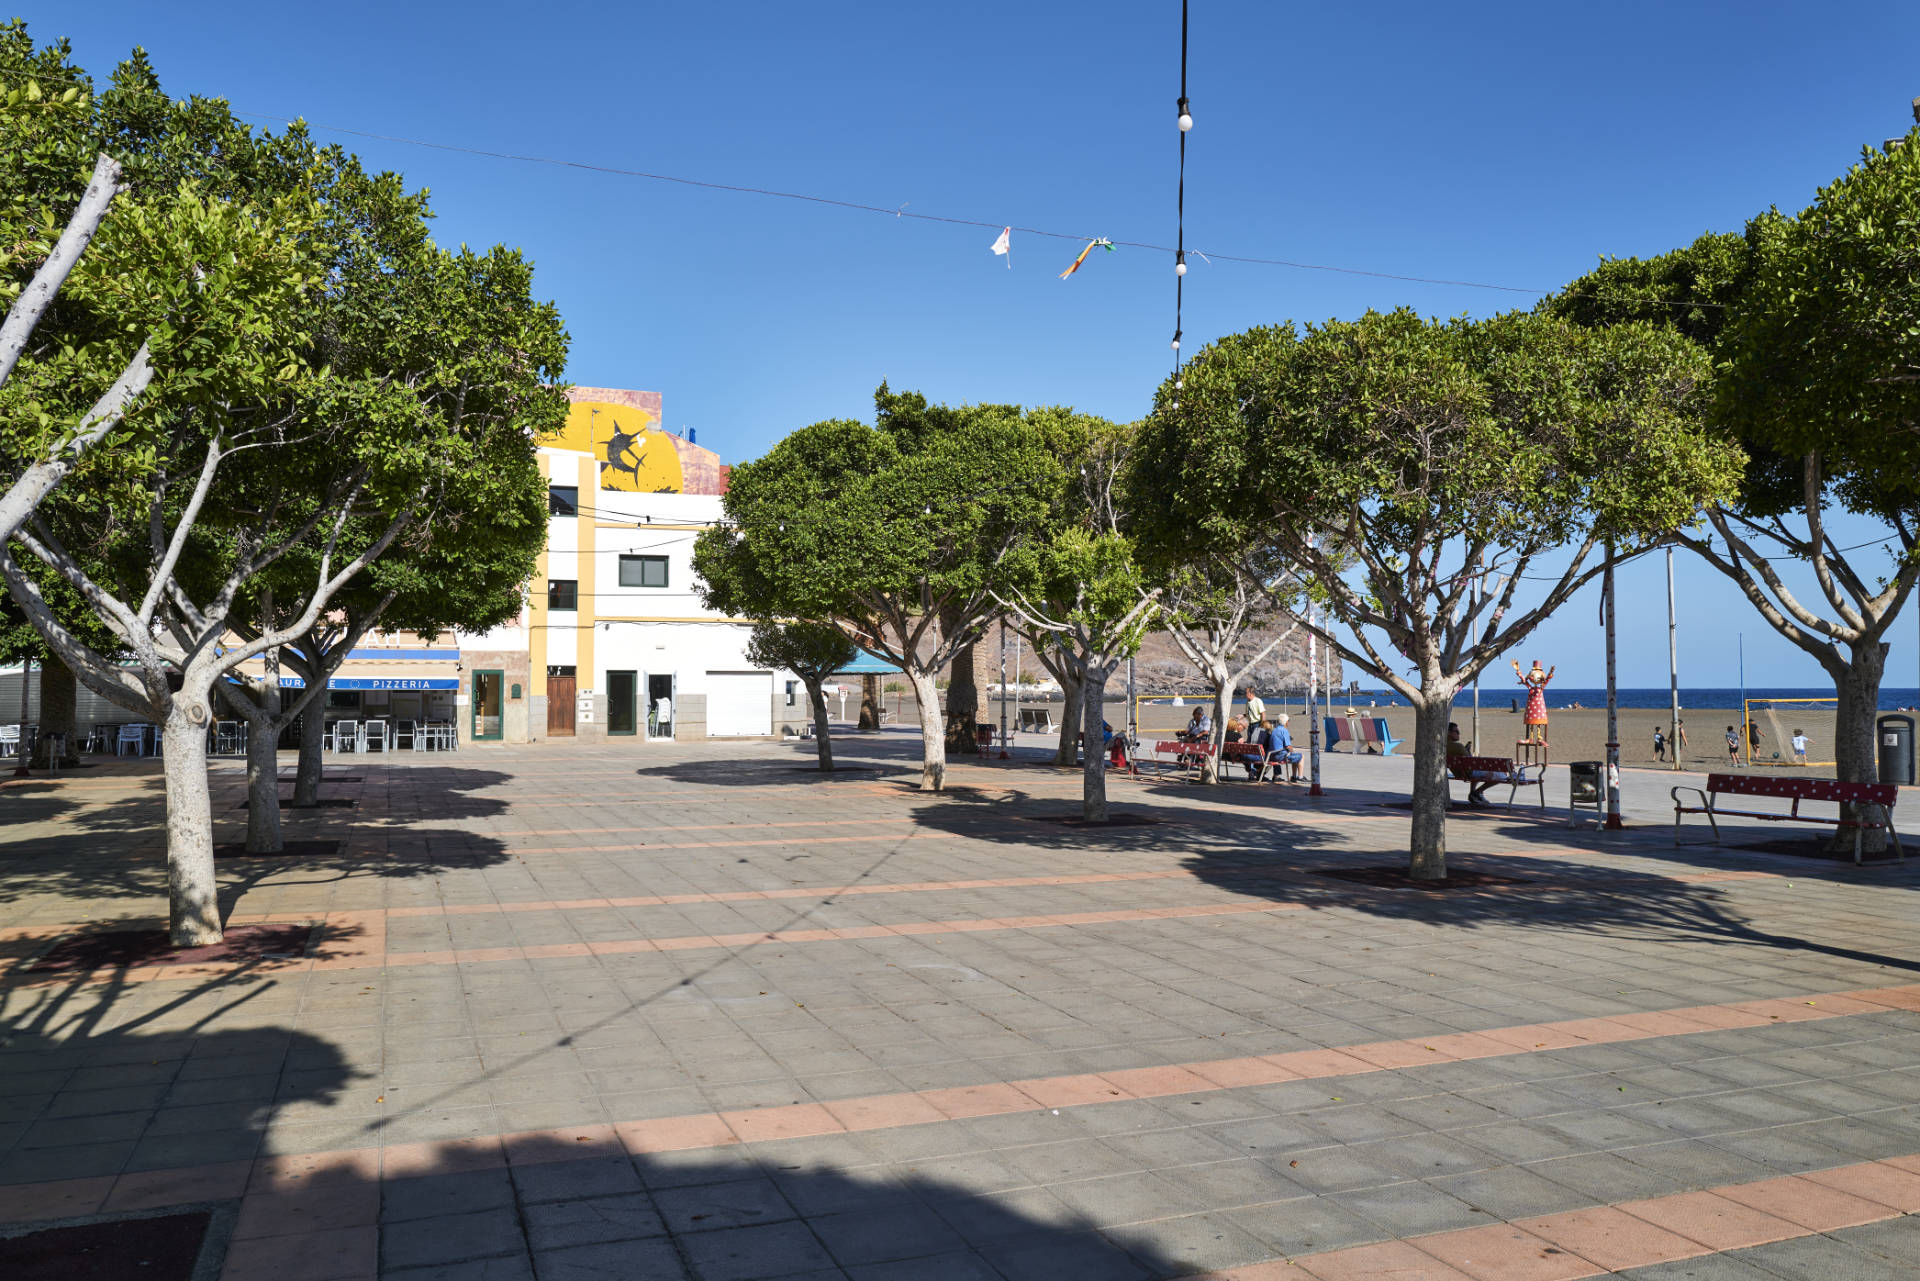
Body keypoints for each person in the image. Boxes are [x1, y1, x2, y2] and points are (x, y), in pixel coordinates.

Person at [1448, 721, 1502, 806]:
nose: (1459, 734)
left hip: (1458, 773)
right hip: (1468, 773)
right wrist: (1468, 751)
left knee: (1478, 769)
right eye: (1457, 732)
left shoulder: (1444, 745)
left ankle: (1473, 794)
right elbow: (1471, 761)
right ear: (1449, 733)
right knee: (1500, 776)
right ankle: (1477, 792)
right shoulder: (1458, 746)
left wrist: (1466, 751)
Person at [1267, 715, 1303, 782]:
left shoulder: (1274, 730)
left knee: (1293, 756)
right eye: (1288, 721)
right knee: (1300, 756)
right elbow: (1288, 746)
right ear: (1286, 722)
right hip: (1279, 756)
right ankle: (1299, 776)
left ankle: (1293, 776)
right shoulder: (1284, 731)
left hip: (1271, 755)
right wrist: (1292, 751)